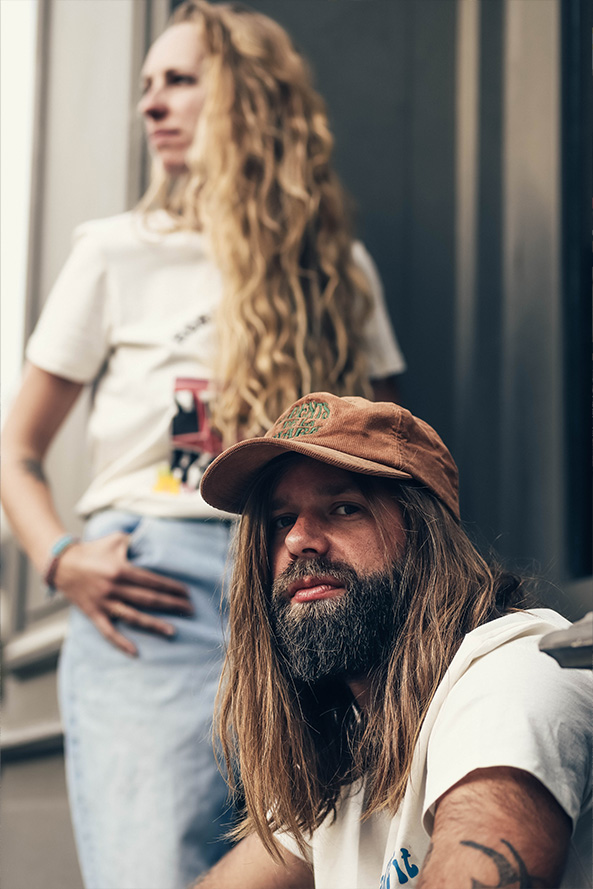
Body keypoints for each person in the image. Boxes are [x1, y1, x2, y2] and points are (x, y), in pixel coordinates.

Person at [0, 2, 405, 887]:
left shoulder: (338, 268)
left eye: (178, 79)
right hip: (156, 597)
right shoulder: (113, 253)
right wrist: (61, 558)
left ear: (248, 95)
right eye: (144, 85)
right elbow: (16, 449)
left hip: (305, 585)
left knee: (323, 861)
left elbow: (390, 456)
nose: (151, 103)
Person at [194, 392, 592, 889]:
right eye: (281, 521)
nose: (299, 540)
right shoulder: (346, 752)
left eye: (344, 508)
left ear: (426, 537)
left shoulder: (513, 674)